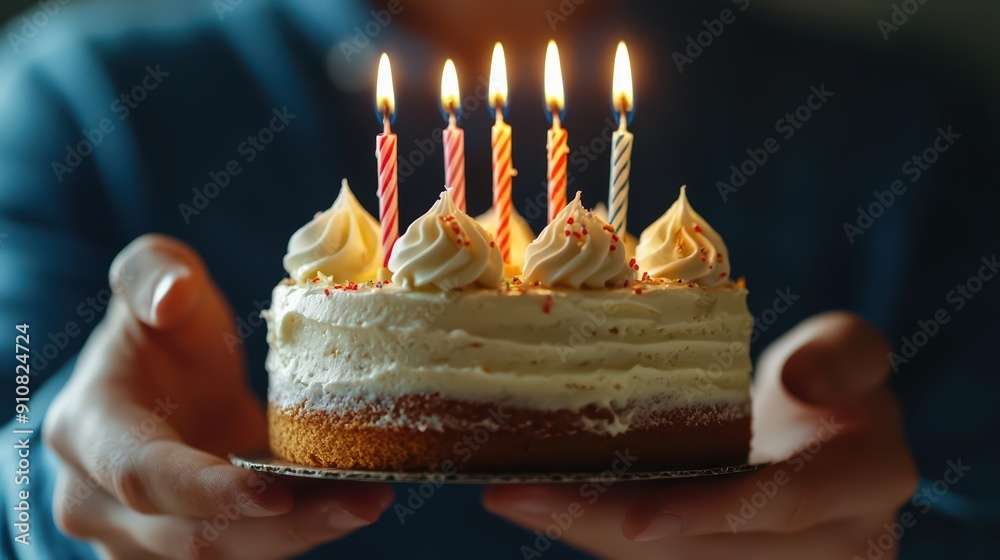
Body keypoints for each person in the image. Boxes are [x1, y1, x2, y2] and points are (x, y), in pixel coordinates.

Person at [0, 0, 995, 558]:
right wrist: (61, 495)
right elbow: (9, 468)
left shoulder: (903, 127)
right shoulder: (77, 98)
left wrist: (886, 535)